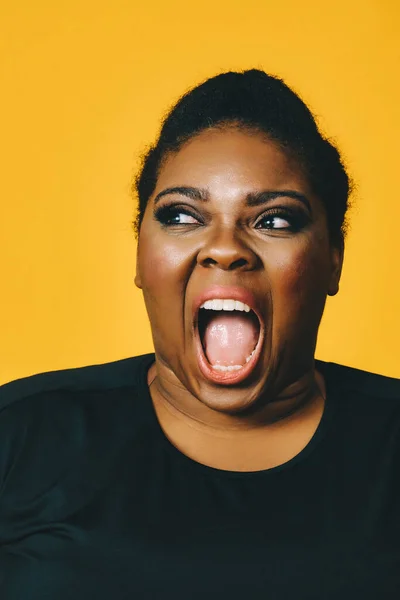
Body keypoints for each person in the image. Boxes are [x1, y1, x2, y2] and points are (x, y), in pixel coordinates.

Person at [0, 69, 399, 599]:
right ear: (141, 257)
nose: (225, 247)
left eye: (275, 220)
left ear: (332, 261)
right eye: (182, 215)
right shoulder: (21, 436)